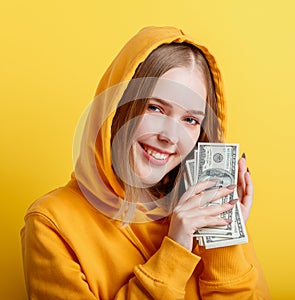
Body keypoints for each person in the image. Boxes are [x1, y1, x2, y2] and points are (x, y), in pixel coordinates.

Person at [21, 26, 271, 299]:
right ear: (117, 108)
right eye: (155, 108)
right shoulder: (51, 222)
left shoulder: (205, 207)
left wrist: (222, 241)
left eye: (190, 120)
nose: (169, 136)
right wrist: (175, 249)